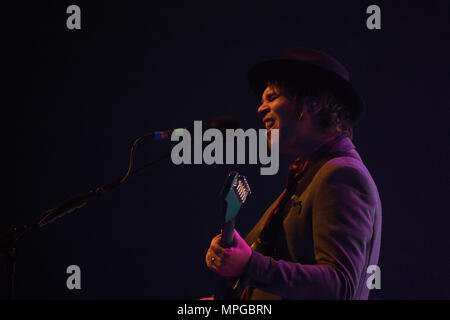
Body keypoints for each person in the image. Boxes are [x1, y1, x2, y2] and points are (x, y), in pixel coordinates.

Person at [205, 48, 382, 300]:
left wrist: (249, 264)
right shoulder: (310, 175)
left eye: (272, 97)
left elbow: (340, 288)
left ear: (313, 102)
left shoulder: (341, 174)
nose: (260, 108)